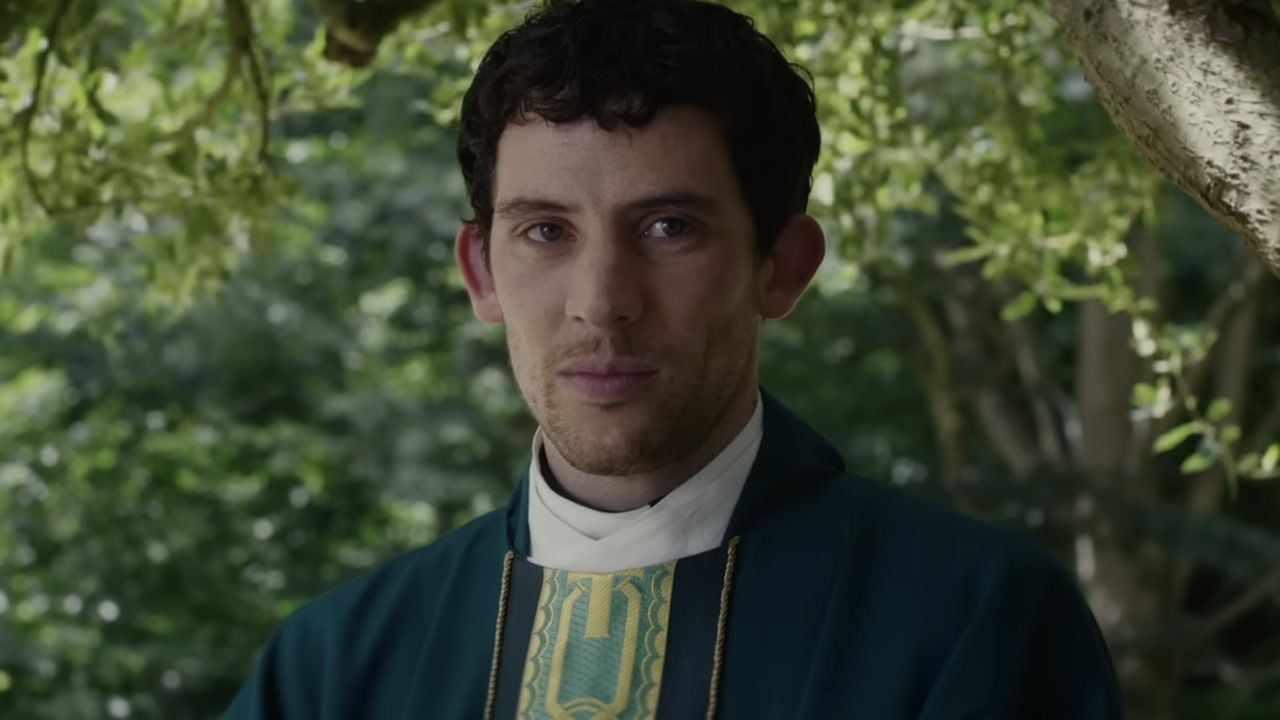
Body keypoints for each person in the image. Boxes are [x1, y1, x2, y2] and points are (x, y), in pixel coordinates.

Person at [226, 0, 1125, 717]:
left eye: (668, 227)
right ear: (481, 272)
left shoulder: (973, 622)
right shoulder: (331, 669)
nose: (600, 301)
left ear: (783, 266)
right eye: (546, 231)